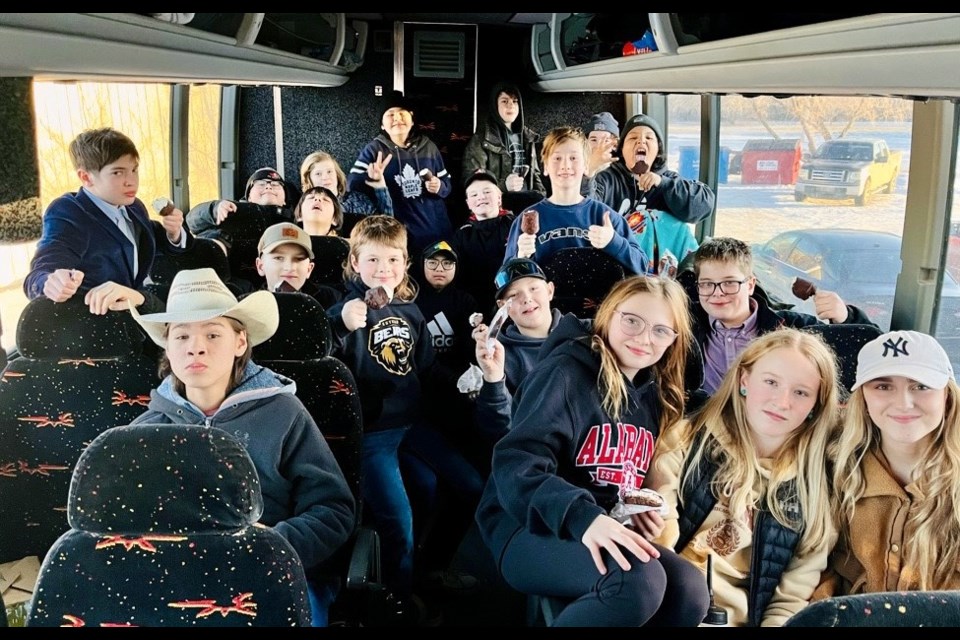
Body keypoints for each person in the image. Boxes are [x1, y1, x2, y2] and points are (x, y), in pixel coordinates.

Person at [476, 275, 710, 627]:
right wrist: (585, 517)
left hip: (593, 524)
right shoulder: (564, 373)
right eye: (632, 320)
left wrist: (633, 506)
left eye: (661, 331)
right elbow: (516, 465)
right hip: (527, 525)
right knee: (638, 581)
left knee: (690, 589)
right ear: (608, 314)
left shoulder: (654, 395)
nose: (644, 338)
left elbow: (610, 470)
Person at [127, 267, 355, 627]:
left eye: (212, 334)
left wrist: (272, 546)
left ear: (240, 343)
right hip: (179, 580)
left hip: (276, 568)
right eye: (181, 335)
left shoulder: (283, 413)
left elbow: (334, 509)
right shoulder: (146, 431)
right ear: (167, 349)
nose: (195, 347)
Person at [648, 327, 841, 627]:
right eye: (771, 382)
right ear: (744, 381)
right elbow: (659, 530)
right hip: (669, 602)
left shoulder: (814, 488)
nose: (782, 402)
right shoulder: (687, 442)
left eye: (801, 392)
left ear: (816, 406)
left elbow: (789, 599)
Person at [325, 215, 436, 613]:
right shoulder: (345, 307)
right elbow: (321, 362)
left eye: (392, 261)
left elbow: (423, 366)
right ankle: (397, 600)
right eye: (372, 261)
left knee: (452, 485)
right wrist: (338, 324)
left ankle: (424, 568)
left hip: (410, 424)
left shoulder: (411, 310)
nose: (383, 270)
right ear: (355, 262)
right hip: (371, 433)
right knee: (397, 519)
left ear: (405, 264)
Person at [812, 330, 960, 598]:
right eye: (883, 386)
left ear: (946, 397)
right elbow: (819, 569)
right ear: (864, 399)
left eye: (920, 386)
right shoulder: (835, 469)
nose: (903, 403)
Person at [24, 127, 188, 315]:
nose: (131, 181)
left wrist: (174, 233)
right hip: (98, 326)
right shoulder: (68, 213)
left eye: (134, 170)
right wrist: (49, 282)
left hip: (137, 314)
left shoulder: (133, 207)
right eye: (118, 173)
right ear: (86, 177)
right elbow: (42, 268)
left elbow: (152, 240)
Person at [685, 236, 876, 395]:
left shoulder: (790, 328)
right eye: (707, 284)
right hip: (707, 426)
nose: (717, 293)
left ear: (750, 285)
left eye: (729, 283)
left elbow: (871, 345)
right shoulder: (686, 323)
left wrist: (846, 317)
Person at [503, 126, 647, 276]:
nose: (565, 165)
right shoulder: (526, 218)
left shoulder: (605, 217)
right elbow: (505, 280)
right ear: (545, 167)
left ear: (586, 165)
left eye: (573, 158)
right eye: (557, 158)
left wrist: (613, 241)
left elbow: (642, 267)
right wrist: (519, 257)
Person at [590, 114, 715, 274]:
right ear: (622, 149)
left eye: (649, 138)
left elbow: (704, 204)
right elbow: (585, 207)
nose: (641, 141)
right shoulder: (608, 179)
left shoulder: (669, 180)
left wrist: (664, 184)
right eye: (632, 138)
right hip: (622, 271)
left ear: (658, 150)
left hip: (670, 276)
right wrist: (590, 171)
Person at [471, 258, 568, 448]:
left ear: (550, 290)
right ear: (502, 307)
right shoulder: (500, 356)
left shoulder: (585, 335)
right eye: (513, 295)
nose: (526, 299)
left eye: (534, 288)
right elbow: (499, 431)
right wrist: (494, 378)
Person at [347, 91, 453, 256]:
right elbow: (353, 188)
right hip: (396, 236)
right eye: (390, 114)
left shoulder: (429, 147)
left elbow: (447, 185)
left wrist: (439, 186)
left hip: (436, 233)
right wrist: (373, 180)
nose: (397, 118)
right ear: (382, 124)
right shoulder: (374, 150)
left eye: (402, 113)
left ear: (412, 119)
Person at [462, 81, 545, 212]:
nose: (510, 106)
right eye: (505, 101)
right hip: (498, 204)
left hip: (528, 203)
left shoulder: (528, 138)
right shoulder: (481, 139)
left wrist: (542, 197)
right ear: (495, 106)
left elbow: (535, 174)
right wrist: (503, 186)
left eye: (515, 101)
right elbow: (472, 180)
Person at [227, 222, 342, 310]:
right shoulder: (246, 306)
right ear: (261, 266)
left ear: (309, 269)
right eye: (278, 258)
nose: (289, 267)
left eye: (299, 259)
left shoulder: (331, 301)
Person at [186, 167, 294, 252]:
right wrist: (214, 209)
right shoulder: (232, 209)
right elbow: (192, 222)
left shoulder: (293, 221)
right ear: (249, 197)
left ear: (285, 199)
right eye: (261, 184)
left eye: (276, 185)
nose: (268, 187)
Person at [452, 170, 516, 313]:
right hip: (477, 305)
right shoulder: (462, 235)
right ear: (468, 203)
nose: (481, 197)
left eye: (487, 192)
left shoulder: (515, 225)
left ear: (499, 197)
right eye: (474, 195)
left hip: (513, 299)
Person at [299, 149, 394, 237]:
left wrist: (381, 188)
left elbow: (387, 229)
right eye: (318, 174)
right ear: (309, 179)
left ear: (337, 175)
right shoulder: (305, 206)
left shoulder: (358, 200)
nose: (325, 177)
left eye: (329, 171)